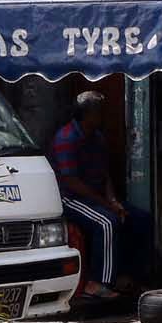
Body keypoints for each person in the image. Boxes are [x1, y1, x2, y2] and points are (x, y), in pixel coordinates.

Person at [50, 92, 145, 299]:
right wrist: (106, 204)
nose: (103, 115)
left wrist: (113, 201)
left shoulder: (97, 138)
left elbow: (105, 175)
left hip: (95, 197)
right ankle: (98, 282)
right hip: (70, 198)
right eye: (99, 112)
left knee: (140, 219)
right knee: (107, 223)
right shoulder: (66, 138)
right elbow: (72, 182)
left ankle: (129, 275)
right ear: (87, 114)